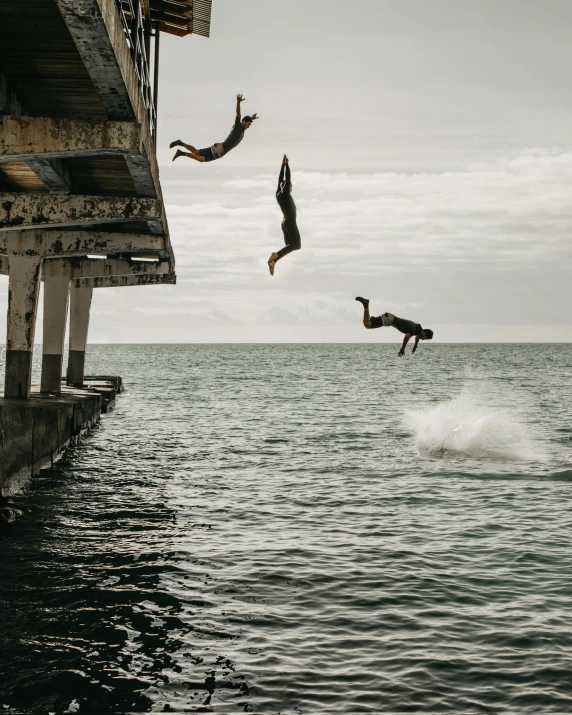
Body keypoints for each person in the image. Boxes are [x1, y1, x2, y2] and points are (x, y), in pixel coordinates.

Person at [170, 94, 258, 163]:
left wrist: (251, 118)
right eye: (248, 124)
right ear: (243, 121)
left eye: (249, 125)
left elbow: (245, 120)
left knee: (199, 157)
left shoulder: (242, 130)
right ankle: (180, 144)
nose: (248, 126)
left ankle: (181, 152)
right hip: (220, 149)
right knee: (198, 154)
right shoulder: (238, 126)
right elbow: (238, 113)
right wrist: (238, 102)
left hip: (221, 152)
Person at [355, 297, 434, 357]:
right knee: (367, 324)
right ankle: (365, 304)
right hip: (388, 319)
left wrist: (415, 346)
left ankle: (366, 304)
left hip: (389, 319)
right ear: (424, 332)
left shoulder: (419, 328)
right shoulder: (416, 330)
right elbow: (407, 337)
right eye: (424, 338)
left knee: (368, 322)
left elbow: (417, 337)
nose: (423, 339)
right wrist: (402, 348)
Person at [268, 154, 301, 276]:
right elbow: (287, 178)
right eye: (289, 185)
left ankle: (274, 260)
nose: (290, 186)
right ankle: (275, 256)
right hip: (290, 222)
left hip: (284, 222)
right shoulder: (285, 194)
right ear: (287, 186)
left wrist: (282, 166)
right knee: (297, 245)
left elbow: (280, 180)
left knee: (291, 245)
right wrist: (287, 165)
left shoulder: (278, 194)